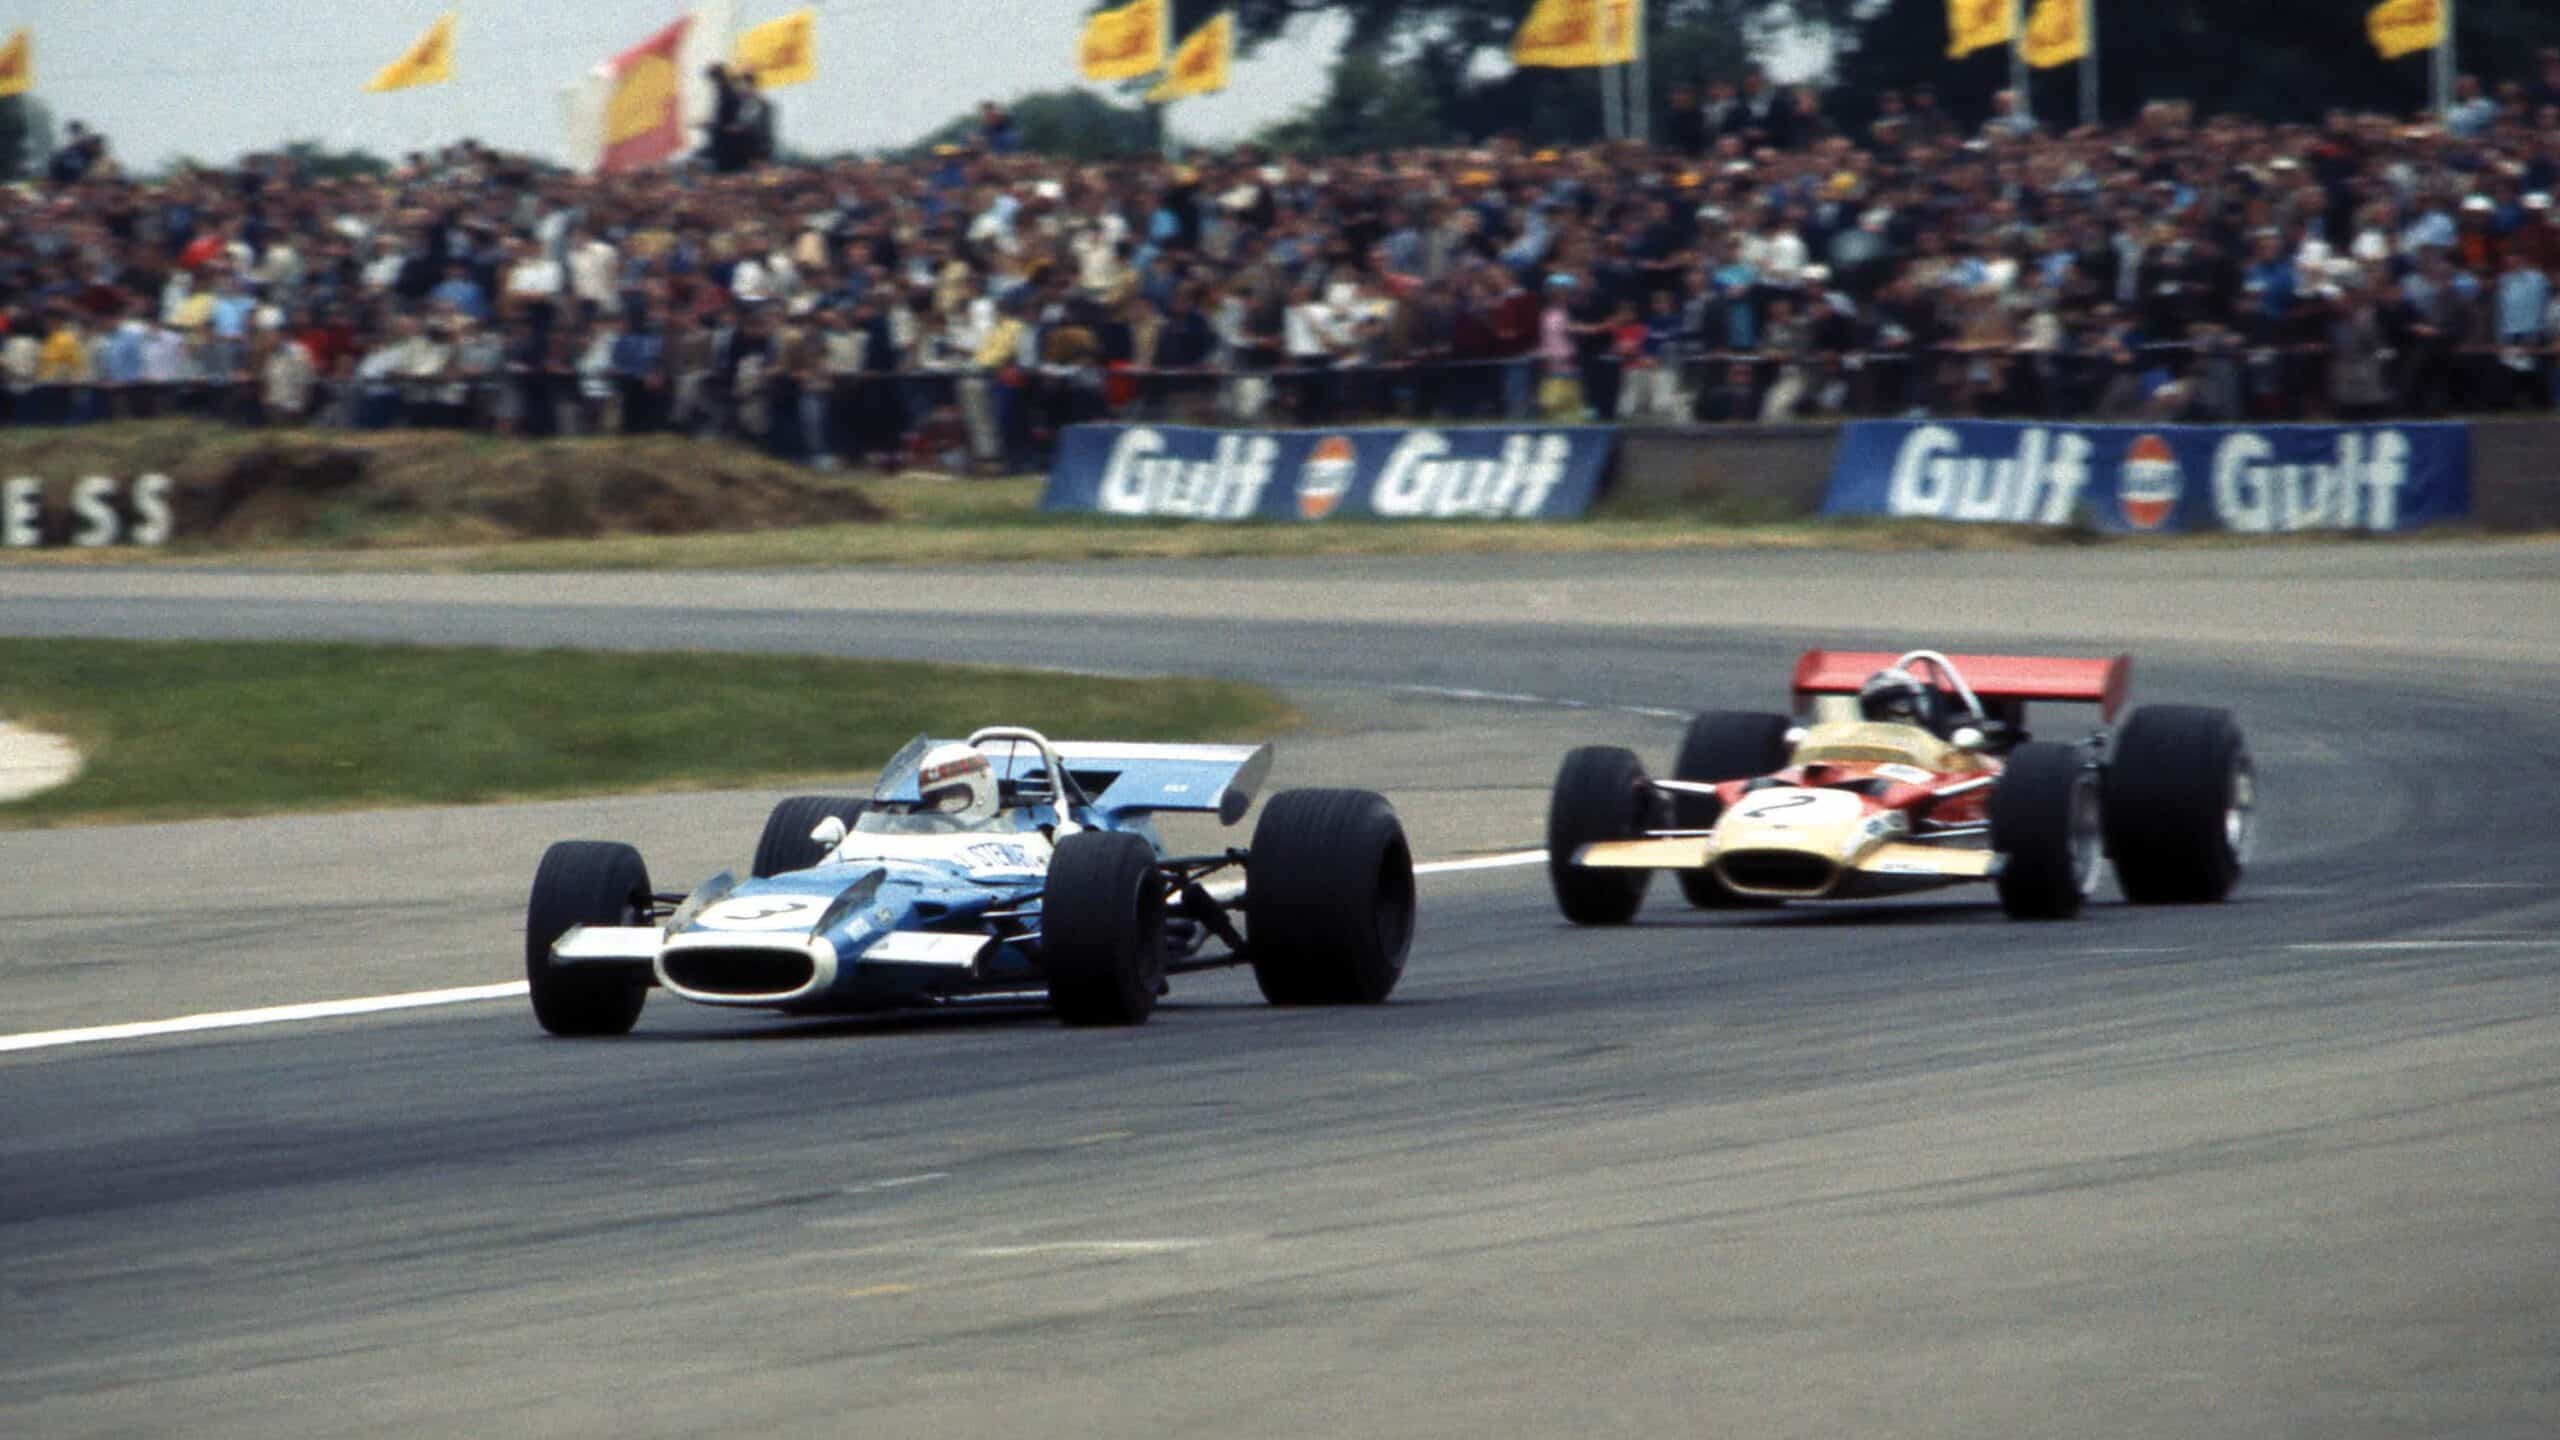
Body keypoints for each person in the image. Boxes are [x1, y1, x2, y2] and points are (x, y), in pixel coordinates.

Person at [1858, 665, 1948, 734]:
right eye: (1879, 715)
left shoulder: (1942, 750)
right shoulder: (1861, 748)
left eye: (1899, 712)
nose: (1891, 723)